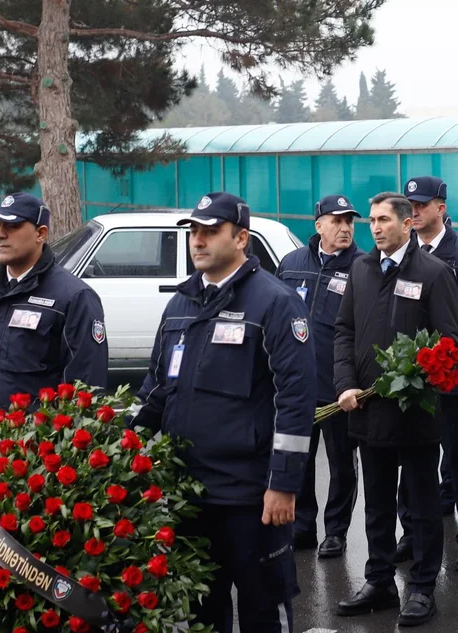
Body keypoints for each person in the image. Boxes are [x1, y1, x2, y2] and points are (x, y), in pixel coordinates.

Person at [133, 192, 315, 633]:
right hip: (189, 494)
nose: (198, 241)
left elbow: (295, 399)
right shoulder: (181, 304)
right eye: (194, 231)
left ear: (241, 239)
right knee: (201, 614)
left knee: (260, 612)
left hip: (250, 496)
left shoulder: (275, 302)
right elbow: (156, 389)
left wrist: (283, 485)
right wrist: (118, 443)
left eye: (211, 231)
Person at [333, 192, 458, 627]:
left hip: (415, 412)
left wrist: (412, 377)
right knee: (379, 503)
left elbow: (449, 344)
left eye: (384, 220)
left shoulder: (434, 272)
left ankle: (423, 588)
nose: (375, 227)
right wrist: (346, 384)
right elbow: (344, 331)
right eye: (372, 221)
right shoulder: (361, 269)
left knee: (422, 505)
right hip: (367, 411)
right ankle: (380, 581)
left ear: (408, 224)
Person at [0, 193, 107, 457]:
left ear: (41, 233)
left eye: (12, 226)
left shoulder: (73, 298)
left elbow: (85, 391)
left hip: (32, 464)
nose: (1, 235)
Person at [396, 176, 458, 573]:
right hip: (413, 380)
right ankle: (411, 534)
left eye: (421, 205)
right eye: (409, 205)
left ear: (441, 207)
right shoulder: (402, 255)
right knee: (412, 463)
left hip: (456, 379)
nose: (414, 212)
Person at [276, 194, 365, 559]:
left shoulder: (363, 266)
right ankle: (302, 527)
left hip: (340, 385)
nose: (345, 228)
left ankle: (337, 531)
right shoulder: (292, 263)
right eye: (337, 221)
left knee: (342, 462)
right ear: (319, 226)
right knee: (299, 458)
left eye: (350, 222)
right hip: (298, 386)